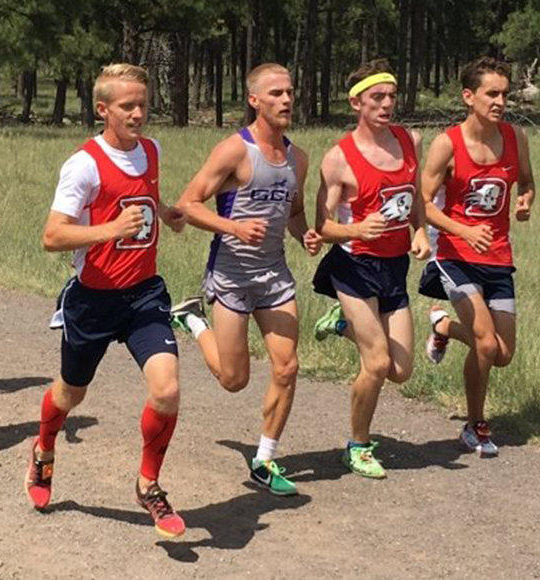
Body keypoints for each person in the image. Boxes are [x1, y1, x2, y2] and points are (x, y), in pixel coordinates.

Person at [25, 64, 188, 538]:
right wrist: (109, 231)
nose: (139, 113)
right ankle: (44, 448)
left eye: (143, 103)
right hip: (92, 301)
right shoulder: (84, 164)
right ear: (103, 110)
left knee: (167, 389)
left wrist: (166, 212)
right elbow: (52, 235)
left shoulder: (152, 151)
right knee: (71, 393)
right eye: (127, 106)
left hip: (143, 295)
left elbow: (142, 198)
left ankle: (149, 484)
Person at [169, 63, 321, 496]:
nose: (286, 100)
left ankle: (265, 459)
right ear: (254, 100)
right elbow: (189, 204)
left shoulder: (298, 158)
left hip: (274, 276)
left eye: (290, 92)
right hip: (232, 276)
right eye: (275, 93)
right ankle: (192, 321)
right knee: (234, 380)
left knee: (287, 366)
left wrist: (305, 234)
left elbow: (292, 212)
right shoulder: (234, 151)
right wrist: (233, 227)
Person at [309, 60, 430, 479]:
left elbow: (414, 196)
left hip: (394, 266)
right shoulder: (338, 159)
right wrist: (357, 227)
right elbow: (321, 226)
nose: (387, 104)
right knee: (376, 364)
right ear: (356, 102)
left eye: (392, 96)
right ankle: (357, 445)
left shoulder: (410, 140)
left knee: (400, 370)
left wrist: (420, 231)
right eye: (377, 97)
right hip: (354, 265)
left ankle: (341, 326)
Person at [416, 56, 536, 457]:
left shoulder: (516, 138)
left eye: (505, 93)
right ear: (469, 96)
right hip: (454, 255)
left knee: (501, 354)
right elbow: (423, 204)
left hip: (499, 257)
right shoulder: (447, 144)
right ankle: (474, 425)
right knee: (485, 344)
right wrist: (463, 230)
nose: (500, 101)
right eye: (492, 94)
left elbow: (528, 184)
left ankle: (443, 327)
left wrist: (524, 203)